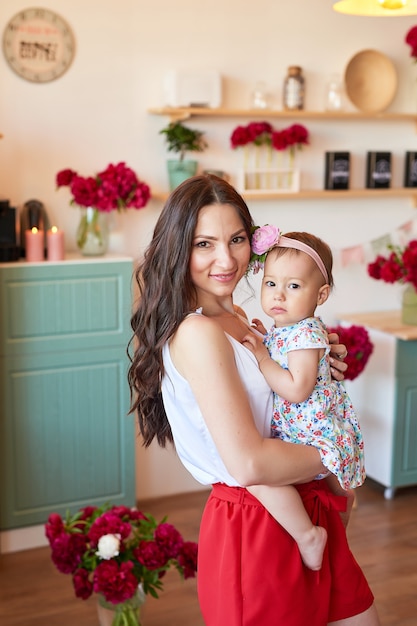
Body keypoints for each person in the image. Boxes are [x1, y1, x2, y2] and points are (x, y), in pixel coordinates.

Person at [128, 174, 379, 625]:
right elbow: (247, 465)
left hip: (305, 501)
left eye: (237, 239)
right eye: (204, 244)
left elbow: (278, 397)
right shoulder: (198, 332)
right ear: (177, 249)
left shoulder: (239, 315)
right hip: (256, 521)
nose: (225, 259)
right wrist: (335, 452)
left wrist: (317, 366)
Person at [241, 226, 365, 572]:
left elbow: (297, 388)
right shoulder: (289, 329)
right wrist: (267, 341)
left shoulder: (307, 333)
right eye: (271, 284)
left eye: (293, 286)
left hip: (310, 433)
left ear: (321, 294)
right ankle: (342, 503)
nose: (278, 294)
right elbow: (286, 355)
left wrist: (263, 358)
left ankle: (310, 535)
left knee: (260, 477)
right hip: (303, 429)